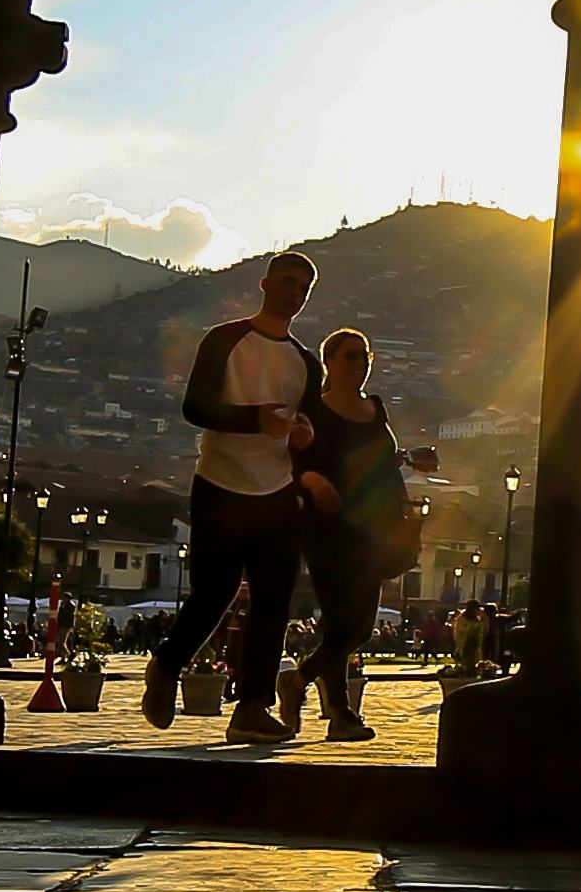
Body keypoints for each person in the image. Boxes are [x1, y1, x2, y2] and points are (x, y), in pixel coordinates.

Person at [151, 252, 319, 740]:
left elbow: (308, 425)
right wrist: (256, 419)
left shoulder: (305, 362)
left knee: (274, 601)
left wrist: (305, 436)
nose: (295, 293)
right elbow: (195, 407)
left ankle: (251, 708)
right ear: (266, 284)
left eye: (304, 288)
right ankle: (166, 665)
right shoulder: (225, 339)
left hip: (277, 492)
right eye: (288, 282)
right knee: (215, 593)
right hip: (220, 484)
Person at [281, 321, 413, 742]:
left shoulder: (375, 409)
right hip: (328, 526)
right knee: (341, 622)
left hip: (374, 527)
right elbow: (291, 464)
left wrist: (409, 464)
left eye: (365, 355)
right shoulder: (313, 413)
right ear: (329, 363)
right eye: (350, 355)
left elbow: (379, 464)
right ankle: (340, 712)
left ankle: (298, 680)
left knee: (360, 629)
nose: (360, 363)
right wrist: (312, 482)